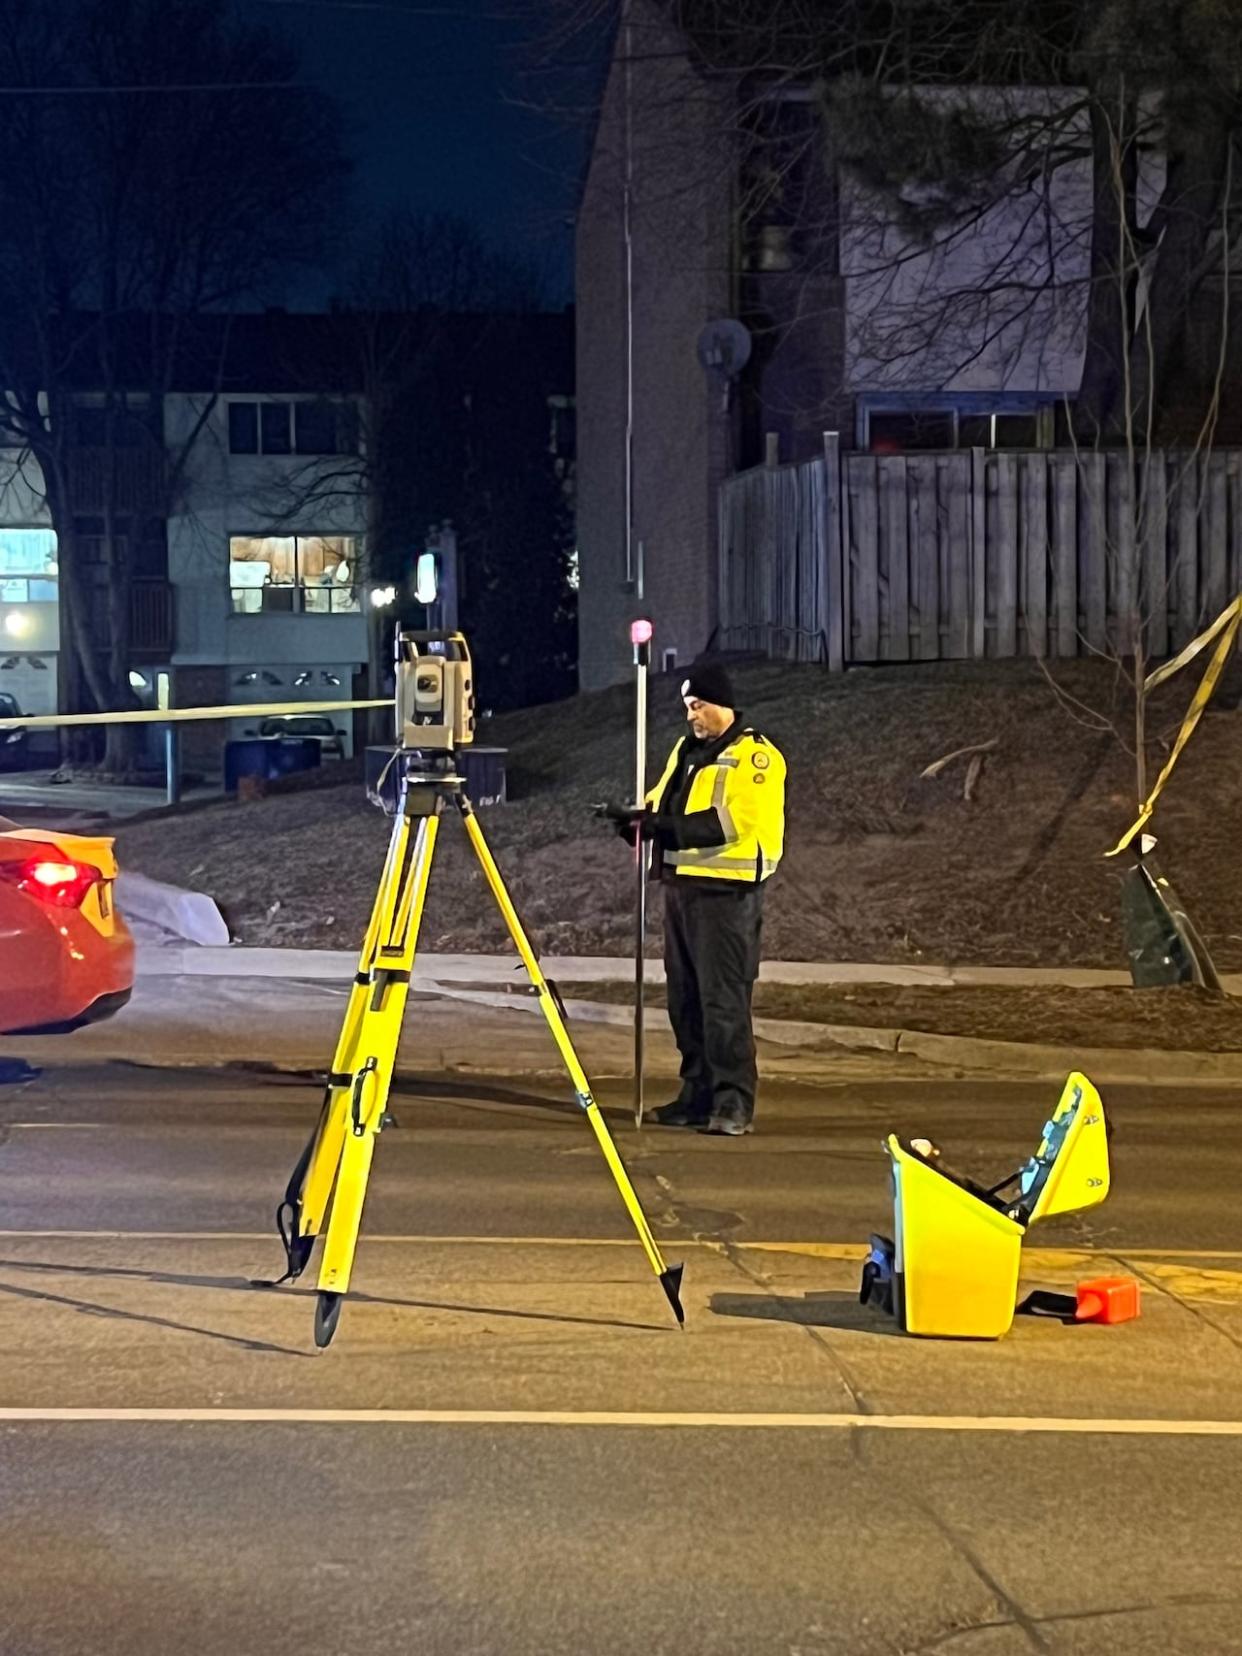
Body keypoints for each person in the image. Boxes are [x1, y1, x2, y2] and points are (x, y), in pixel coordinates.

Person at [605, 661, 786, 1135]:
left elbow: (729, 825)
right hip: (683, 890)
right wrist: (633, 819)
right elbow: (660, 802)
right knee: (685, 1000)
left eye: (697, 705)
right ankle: (697, 1092)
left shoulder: (755, 758)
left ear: (720, 703)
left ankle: (732, 1102)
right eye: (688, 707)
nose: (692, 716)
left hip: (726, 896)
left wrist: (664, 828)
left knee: (722, 1000)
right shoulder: (686, 752)